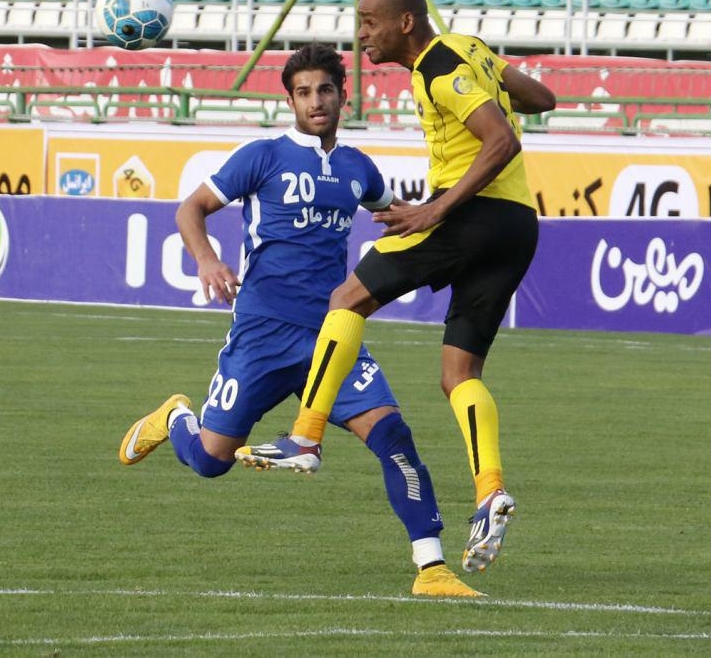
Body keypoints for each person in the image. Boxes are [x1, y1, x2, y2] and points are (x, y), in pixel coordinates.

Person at [118, 43, 480, 598]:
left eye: (325, 90)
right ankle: (175, 417)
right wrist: (208, 260)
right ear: (290, 100)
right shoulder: (262, 157)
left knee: (394, 437)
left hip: (333, 334)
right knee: (212, 462)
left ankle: (431, 568)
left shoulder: (358, 168)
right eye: (304, 92)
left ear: (342, 96)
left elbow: (400, 216)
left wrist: (453, 219)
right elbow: (190, 209)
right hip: (262, 333)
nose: (316, 101)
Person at [237, 0, 556, 576]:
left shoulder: (438, 65)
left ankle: (305, 436)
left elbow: (502, 140)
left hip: (469, 214)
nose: (362, 33)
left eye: (369, 21)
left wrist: (437, 209)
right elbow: (542, 98)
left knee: (346, 299)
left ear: (405, 22)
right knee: (459, 375)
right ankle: (490, 491)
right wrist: (492, 81)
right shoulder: (470, 50)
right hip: (518, 225)